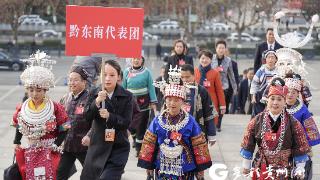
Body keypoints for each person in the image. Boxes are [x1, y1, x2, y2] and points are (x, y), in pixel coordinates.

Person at [138, 65, 212, 180]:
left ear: (182, 101)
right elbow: (149, 144)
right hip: (162, 170)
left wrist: (200, 171)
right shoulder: (158, 121)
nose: (172, 103)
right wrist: (148, 167)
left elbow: (199, 146)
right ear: (165, 100)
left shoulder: (190, 122)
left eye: (176, 100)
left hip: (185, 171)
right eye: (169, 99)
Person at [240, 77, 311, 180]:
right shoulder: (257, 121)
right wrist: (246, 165)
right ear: (267, 100)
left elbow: (299, 145)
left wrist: (300, 168)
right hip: (262, 165)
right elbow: (248, 143)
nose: (275, 103)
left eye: (279, 99)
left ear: (284, 101)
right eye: (272, 98)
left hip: (285, 167)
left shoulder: (293, 123)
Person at [12, 51, 68, 180]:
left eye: (38, 90)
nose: (35, 94)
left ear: (45, 90)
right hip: (31, 148)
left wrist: (56, 144)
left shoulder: (55, 107)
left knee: (48, 175)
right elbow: (19, 125)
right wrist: (16, 142)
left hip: (50, 150)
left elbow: (65, 127)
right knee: (31, 176)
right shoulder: (23, 107)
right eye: (31, 90)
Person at [80, 60, 134, 180]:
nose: (108, 78)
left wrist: (110, 116)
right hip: (97, 147)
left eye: (112, 75)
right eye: (104, 75)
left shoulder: (127, 96)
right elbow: (86, 117)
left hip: (118, 148)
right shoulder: (94, 93)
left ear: (119, 77)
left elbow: (126, 122)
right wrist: (97, 102)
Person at [57, 66, 91, 180]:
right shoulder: (64, 98)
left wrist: (89, 136)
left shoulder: (90, 99)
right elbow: (60, 121)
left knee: (89, 176)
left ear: (84, 82)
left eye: (75, 80)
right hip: (67, 145)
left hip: (84, 147)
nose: (72, 82)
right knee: (60, 174)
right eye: (70, 79)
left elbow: (96, 123)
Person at [285, 74, 320, 180]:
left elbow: (310, 129)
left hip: (299, 146)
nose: (290, 94)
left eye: (293, 92)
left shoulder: (303, 109)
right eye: (288, 91)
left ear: (298, 94)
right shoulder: (277, 105)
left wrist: (307, 146)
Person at [122, 56, 157, 156]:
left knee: (141, 125)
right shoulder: (126, 71)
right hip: (130, 101)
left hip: (143, 102)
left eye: (138, 58)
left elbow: (151, 87)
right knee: (131, 125)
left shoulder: (147, 72)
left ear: (142, 60)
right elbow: (124, 87)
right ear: (131, 60)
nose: (136, 60)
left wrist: (153, 101)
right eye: (134, 58)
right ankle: (134, 138)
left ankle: (139, 149)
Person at [180, 64, 218, 143]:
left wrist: (212, 134)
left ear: (194, 76)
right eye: (182, 77)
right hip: (178, 132)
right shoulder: (175, 89)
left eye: (187, 77)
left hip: (197, 130)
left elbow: (209, 113)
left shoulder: (202, 91)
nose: (184, 80)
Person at [194, 49, 226, 131]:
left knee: (209, 124)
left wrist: (222, 105)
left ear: (211, 60)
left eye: (207, 58)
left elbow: (219, 90)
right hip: (196, 101)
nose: (204, 60)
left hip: (211, 102)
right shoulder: (194, 71)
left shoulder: (215, 73)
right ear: (199, 59)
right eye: (202, 58)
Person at [250, 50, 278, 117]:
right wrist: (253, 97)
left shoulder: (279, 70)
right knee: (258, 116)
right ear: (266, 59)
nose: (270, 59)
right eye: (269, 57)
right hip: (260, 96)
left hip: (274, 97)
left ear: (276, 59)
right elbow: (254, 84)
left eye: (272, 57)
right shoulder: (261, 70)